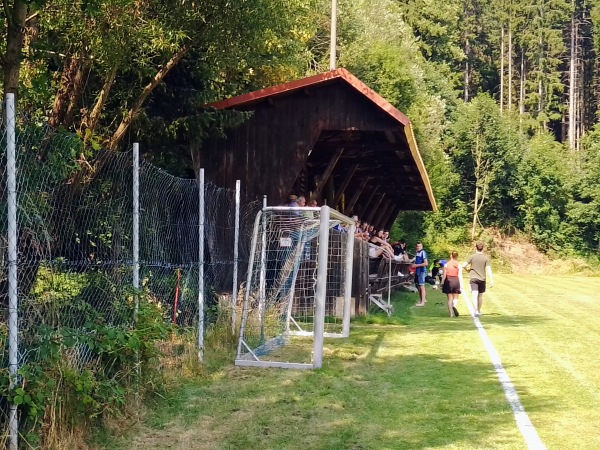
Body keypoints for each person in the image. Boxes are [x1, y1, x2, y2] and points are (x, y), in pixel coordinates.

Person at [462, 241, 494, 317]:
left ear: (476, 247)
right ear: (483, 248)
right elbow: (488, 269)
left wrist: (468, 270)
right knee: (480, 296)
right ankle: (478, 310)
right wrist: (491, 279)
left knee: (474, 294)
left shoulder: (472, 256)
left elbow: (463, 265)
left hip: (473, 278)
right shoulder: (485, 258)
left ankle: (476, 311)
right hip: (482, 279)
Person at [441, 251, 462, 317]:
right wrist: (461, 284)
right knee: (456, 296)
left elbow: (444, 275)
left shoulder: (446, 264)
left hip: (448, 280)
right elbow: (460, 275)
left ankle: (451, 313)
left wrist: (442, 282)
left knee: (450, 298)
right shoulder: (458, 264)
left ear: (451, 256)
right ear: (457, 256)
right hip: (455, 280)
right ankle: (454, 306)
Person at [412, 241, 428, 306]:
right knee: (419, 286)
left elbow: (426, 263)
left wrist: (416, 265)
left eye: (420, 246)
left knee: (422, 286)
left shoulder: (423, 253)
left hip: (422, 271)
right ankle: (421, 300)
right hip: (418, 271)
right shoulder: (417, 253)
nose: (418, 247)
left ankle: (423, 302)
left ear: (422, 247)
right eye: (417, 246)